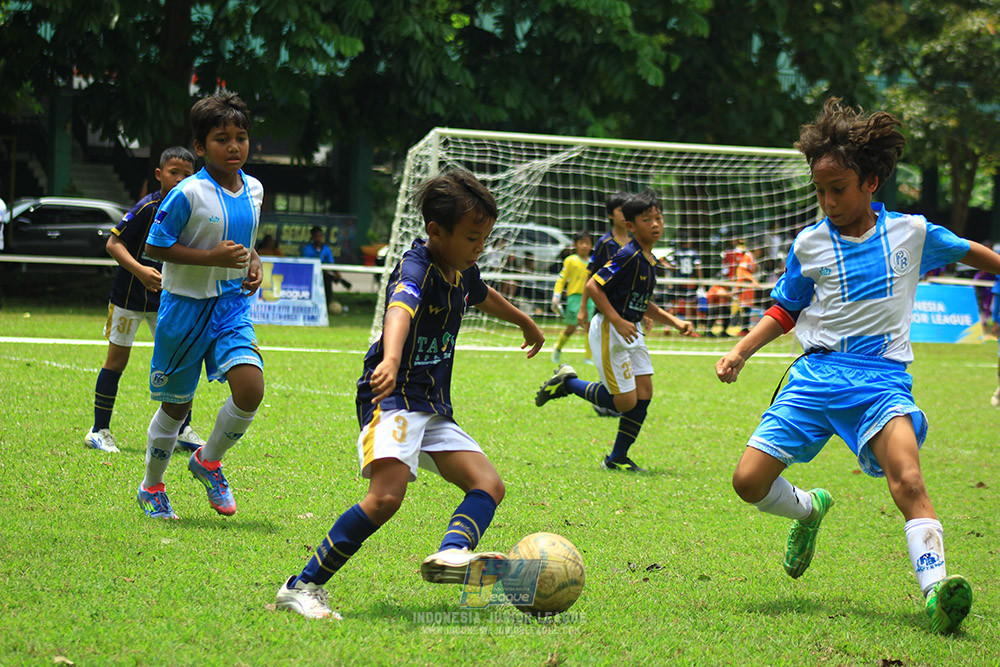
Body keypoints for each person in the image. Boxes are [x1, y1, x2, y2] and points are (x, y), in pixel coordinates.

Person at [715, 97, 999, 634]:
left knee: (909, 479)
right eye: (819, 191)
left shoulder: (911, 234)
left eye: (837, 189)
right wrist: (741, 350)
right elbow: (785, 308)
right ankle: (808, 510)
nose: (827, 201)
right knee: (748, 482)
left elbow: (969, 251)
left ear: (870, 181)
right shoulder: (809, 244)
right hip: (816, 377)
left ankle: (937, 591)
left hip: (882, 382)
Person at [275, 168, 544, 620]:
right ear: (436, 231)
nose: (481, 246)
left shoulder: (460, 269)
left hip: (432, 403)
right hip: (393, 394)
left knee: (488, 485)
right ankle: (301, 586)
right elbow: (401, 306)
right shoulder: (415, 265)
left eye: (485, 237)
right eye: (473, 237)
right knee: (386, 498)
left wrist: (523, 320)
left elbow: (482, 294)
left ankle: (453, 552)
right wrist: (392, 357)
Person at [136, 91, 265, 520]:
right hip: (185, 307)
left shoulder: (255, 189)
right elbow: (156, 246)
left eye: (240, 137)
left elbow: (246, 243)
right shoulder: (188, 193)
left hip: (229, 306)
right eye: (221, 138)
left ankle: (207, 461)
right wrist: (213, 258)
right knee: (177, 405)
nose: (233, 146)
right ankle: (152, 486)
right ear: (199, 146)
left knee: (250, 388)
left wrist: (254, 263)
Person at [535, 189, 696, 472]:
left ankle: (617, 458)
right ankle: (569, 383)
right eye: (648, 220)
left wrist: (675, 322)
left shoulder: (650, 259)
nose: (656, 224)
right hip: (611, 328)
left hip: (631, 330)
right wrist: (618, 320)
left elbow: (644, 303)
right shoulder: (627, 255)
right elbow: (593, 286)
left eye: (659, 218)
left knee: (644, 393)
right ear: (631, 226)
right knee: (624, 402)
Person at [84, 147, 206, 454]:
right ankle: (99, 430)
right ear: (159, 174)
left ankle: (182, 428)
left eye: (186, 174)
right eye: (173, 172)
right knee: (117, 361)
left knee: (178, 362)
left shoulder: (191, 209)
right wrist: (141, 271)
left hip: (167, 300)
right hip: (128, 297)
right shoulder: (147, 207)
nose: (179, 180)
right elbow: (114, 243)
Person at [577, 191, 630, 330]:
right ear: (610, 215)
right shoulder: (605, 243)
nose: (625, 214)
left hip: (631, 313)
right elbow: (591, 275)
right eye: (620, 210)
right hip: (606, 313)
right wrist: (583, 307)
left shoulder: (636, 243)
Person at [550, 231, 594, 364]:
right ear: (575, 245)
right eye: (582, 243)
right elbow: (562, 279)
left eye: (588, 243)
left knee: (590, 327)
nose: (585, 246)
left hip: (590, 299)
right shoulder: (570, 261)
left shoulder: (593, 262)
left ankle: (588, 358)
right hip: (574, 298)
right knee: (571, 328)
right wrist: (556, 295)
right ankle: (557, 348)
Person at [302, 225, 352, 296]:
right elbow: (306, 265)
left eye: (320, 236)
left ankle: (328, 301)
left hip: (324, 274)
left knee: (327, 280)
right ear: (312, 238)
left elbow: (331, 264)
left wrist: (337, 274)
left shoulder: (326, 249)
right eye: (317, 236)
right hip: (311, 275)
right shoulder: (307, 249)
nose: (319, 239)